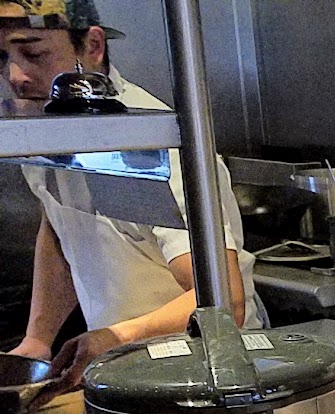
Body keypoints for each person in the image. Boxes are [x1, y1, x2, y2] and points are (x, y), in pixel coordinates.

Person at [1, 0, 261, 391]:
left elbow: (224, 302)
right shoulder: (43, 127)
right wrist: (37, 338)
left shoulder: (152, 147)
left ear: (93, 46)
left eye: (35, 53)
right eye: (3, 58)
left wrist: (119, 337)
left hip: (206, 376)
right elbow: (60, 229)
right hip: (122, 376)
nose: (16, 76)